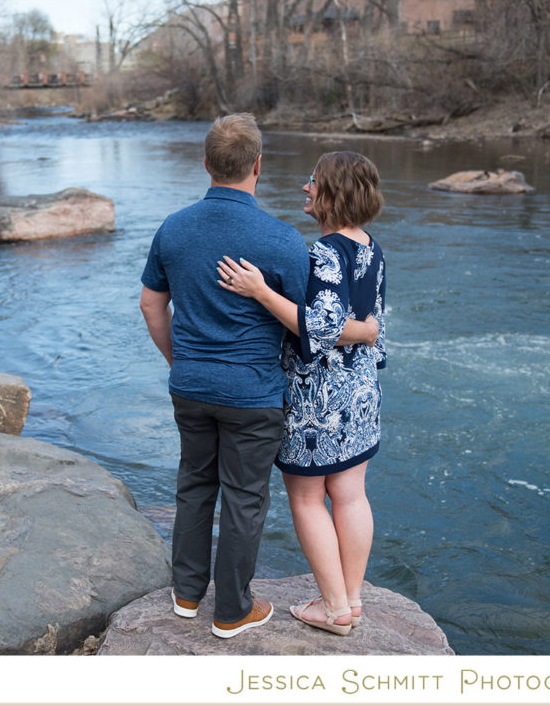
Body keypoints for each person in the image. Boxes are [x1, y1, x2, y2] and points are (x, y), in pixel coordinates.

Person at [139, 117, 377, 639]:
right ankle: (232, 610)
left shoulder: (173, 228)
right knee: (244, 497)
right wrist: (365, 330)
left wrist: (179, 361)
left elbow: (151, 305)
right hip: (252, 391)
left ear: (206, 164)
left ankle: (185, 594)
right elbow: (310, 324)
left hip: (191, 385)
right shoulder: (282, 239)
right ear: (258, 166)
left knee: (193, 485)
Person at [217, 150, 386, 637]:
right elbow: (371, 324)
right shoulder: (371, 247)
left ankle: (332, 609)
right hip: (359, 392)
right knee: (351, 496)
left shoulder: (326, 252)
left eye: (313, 182)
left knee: (309, 499)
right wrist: (369, 332)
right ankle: (350, 600)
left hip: (318, 399)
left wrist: (260, 292)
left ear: (333, 193)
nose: (305, 189)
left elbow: (322, 329)